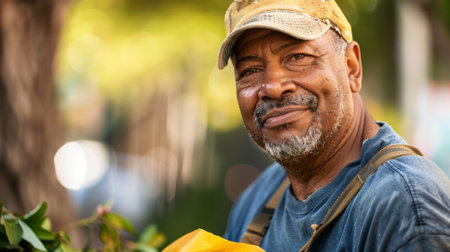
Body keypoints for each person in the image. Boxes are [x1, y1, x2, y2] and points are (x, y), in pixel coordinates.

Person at [216, 0, 450, 251]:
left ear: (352, 67)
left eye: (297, 57)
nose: (273, 86)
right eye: (251, 70)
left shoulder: (406, 207)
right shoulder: (256, 200)